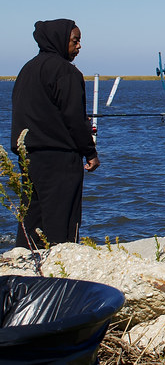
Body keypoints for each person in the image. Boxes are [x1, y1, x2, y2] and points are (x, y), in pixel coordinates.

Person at [10, 19, 100, 248]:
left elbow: (35, 111)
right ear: (59, 40)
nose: (79, 46)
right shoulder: (66, 72)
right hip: (60, 157)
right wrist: (90, 153)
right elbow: (74, 119)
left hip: (28, 155)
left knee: (31, 214)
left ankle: (26, 262)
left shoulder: (27, 69)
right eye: (75, 41)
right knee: (62, 218)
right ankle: (60, 269)